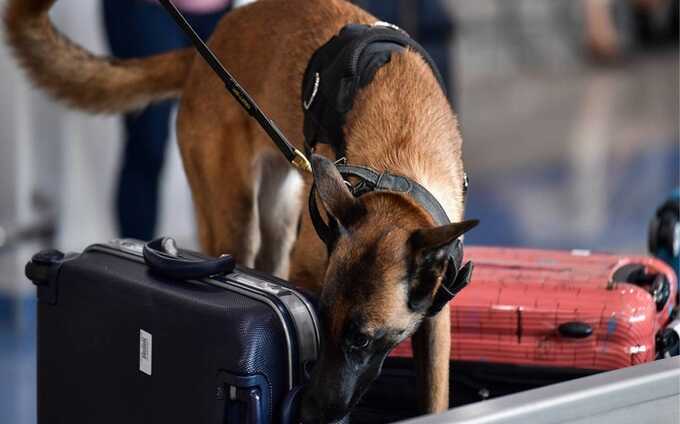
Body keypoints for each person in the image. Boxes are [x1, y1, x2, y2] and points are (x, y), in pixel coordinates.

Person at [102, 0, 231, 240]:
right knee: (148, 142)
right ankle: (132, 261)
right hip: (147, 9)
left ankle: (217, 265)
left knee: (216, 151)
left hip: (215, 9)